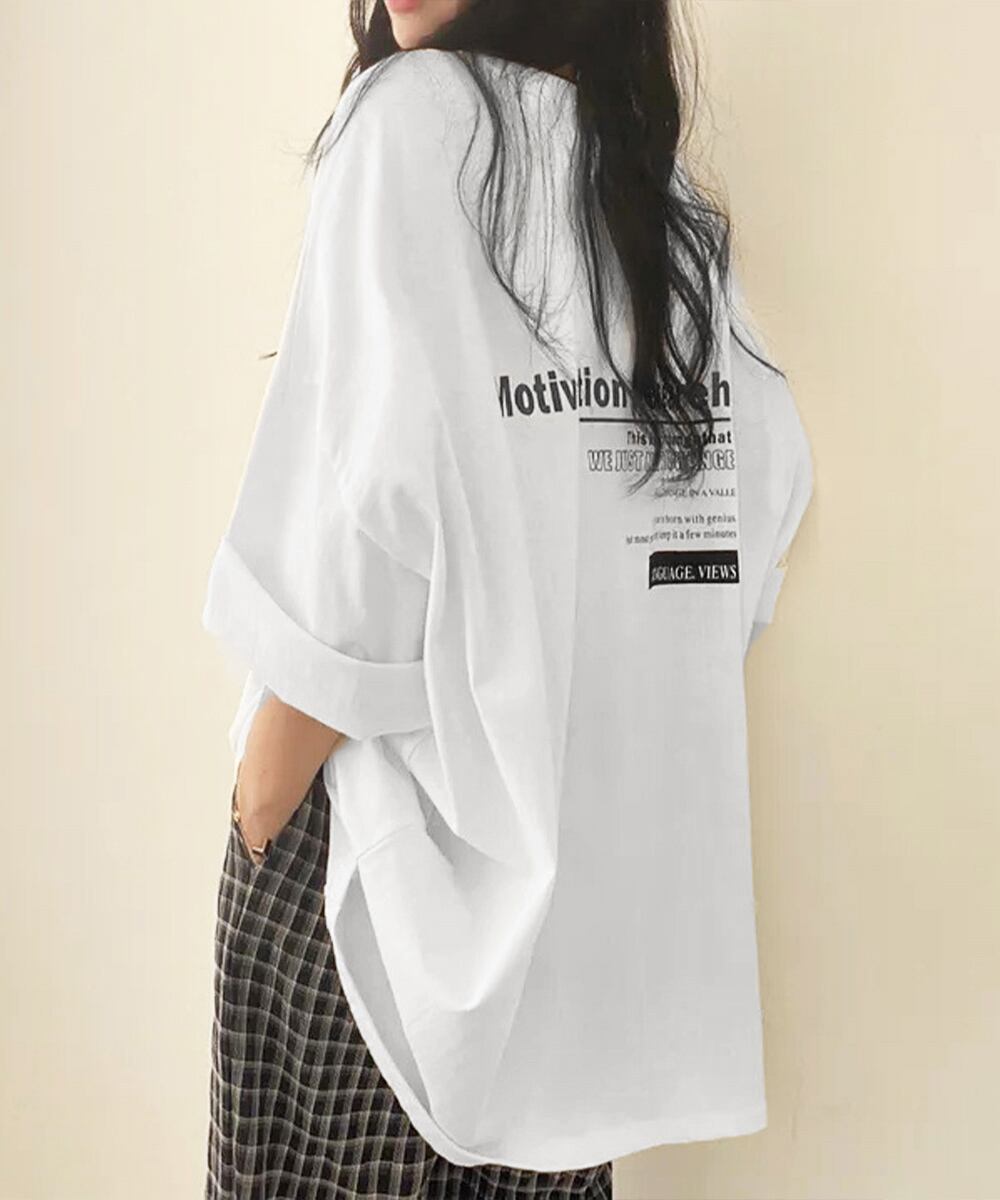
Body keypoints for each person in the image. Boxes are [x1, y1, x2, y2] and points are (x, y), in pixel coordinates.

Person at [201, 0, 815, 1196]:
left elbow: (350, 568)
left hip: (370, 885)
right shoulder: (657, 207)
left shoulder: (407, 128)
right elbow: (742, 527)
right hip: (560, 961)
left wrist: (260, 802)